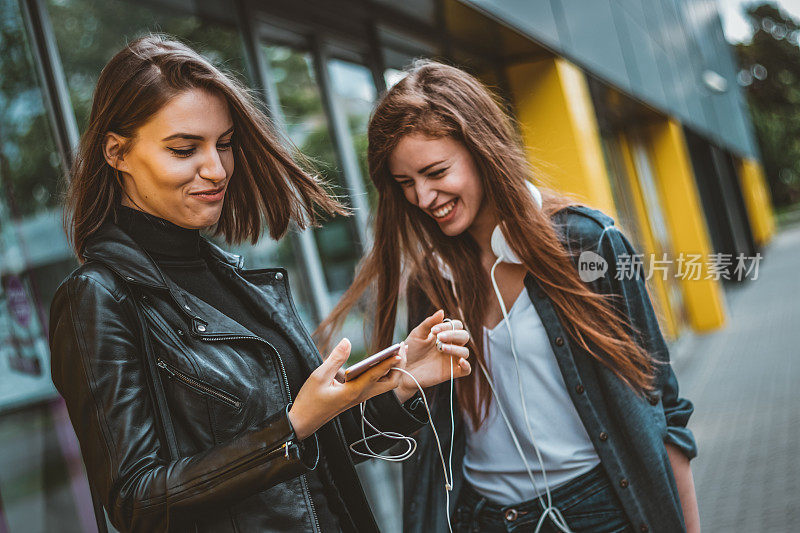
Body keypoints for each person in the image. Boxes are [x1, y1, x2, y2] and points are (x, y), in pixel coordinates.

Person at [48, 36, 471, 533]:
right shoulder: (97, 298)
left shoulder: (238, 282)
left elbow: (313, 463)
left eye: (224, 144)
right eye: (184, 149)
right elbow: (135, 502)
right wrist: (290, 429)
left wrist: (401, 387)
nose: (216, 169)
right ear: (117, 153)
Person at [317, 61, 700, 532]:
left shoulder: (585, 245)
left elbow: (664, 407)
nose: (422, 197)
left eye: (436, 172)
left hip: (597, 512)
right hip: (483, 519)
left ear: (483, 151)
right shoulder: (433, 281)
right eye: (405, 184)